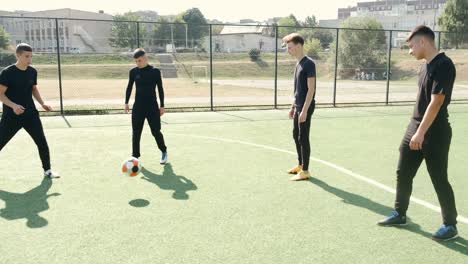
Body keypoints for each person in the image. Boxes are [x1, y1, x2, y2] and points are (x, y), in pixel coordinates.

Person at [378, 26, 459, 241]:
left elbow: (437, 102)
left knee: (439, 179)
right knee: (403, 172)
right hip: (415, 128)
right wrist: (415, 131)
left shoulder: (444, 64)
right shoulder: (425, 67)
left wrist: (421, 133)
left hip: (436, 132)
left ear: (423, 42)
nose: (410, 50)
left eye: (412, 45)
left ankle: (450, 225)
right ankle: (400, 213)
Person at [0, 43, 59, 178]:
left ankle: (48, 170)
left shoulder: (32, 71)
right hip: (11, 117)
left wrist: (42, 103)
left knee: (42, 142)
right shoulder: (7, 73)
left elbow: (33, 89)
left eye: (31, 56)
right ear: (18, 55)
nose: (29, 59)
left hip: (31, 115)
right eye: (26, 56)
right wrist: (13, 106)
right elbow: (0, 94)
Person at [283, 33, 317, 181]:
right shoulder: (298, 64)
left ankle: (306, 171)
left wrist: (304, 110)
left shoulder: (309, 63)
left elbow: (311, 89)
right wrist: (293, 107)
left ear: (298, 45)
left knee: (303, 138)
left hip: (306, 107)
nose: (288, 50)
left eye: (290, 47)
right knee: (296, 136)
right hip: (298, 106)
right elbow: (298, 89)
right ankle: (300, 165)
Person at [125, 48, 167, 164]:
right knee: (136, 132)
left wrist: (162, 106)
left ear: (145, 58)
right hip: (138, 107)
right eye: (136, 61)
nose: (138, 63)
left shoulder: (155, 71)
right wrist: (126, 102)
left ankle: (164, 151)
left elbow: (160, 89)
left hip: (152, 107)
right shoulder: (133, 72)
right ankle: (135, 157)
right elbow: (129, 87)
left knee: (156, 131)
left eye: (139, 60)